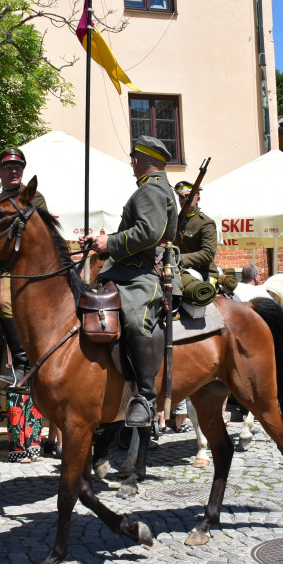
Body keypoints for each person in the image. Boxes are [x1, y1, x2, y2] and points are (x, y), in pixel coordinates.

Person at [79, 135, 181, 428]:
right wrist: (102, 241)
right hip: (128, 268)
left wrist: (109, 242)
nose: (131, 165)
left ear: (138, 161)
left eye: (132, 160)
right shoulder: (152, 189)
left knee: (137, 318)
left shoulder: (150, 191)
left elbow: (148, 234)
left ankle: (146, 398)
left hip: (142, 273)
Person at [0, 147, 50, 393]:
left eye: (18, 167)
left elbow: (41, 233)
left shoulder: (34, 196)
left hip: (27, 266)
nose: (14, 171)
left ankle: (22, 364)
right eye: (8, 167)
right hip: (0, 264)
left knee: (4, 301)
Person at [173, 181, 218, 283]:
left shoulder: (206, 223)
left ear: (197, 199)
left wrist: (181, 259)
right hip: (181, 272)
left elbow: (208, 254)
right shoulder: (176, 221)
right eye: (180, 197)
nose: (183, 200)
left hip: (204, 274)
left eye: (188, 196)